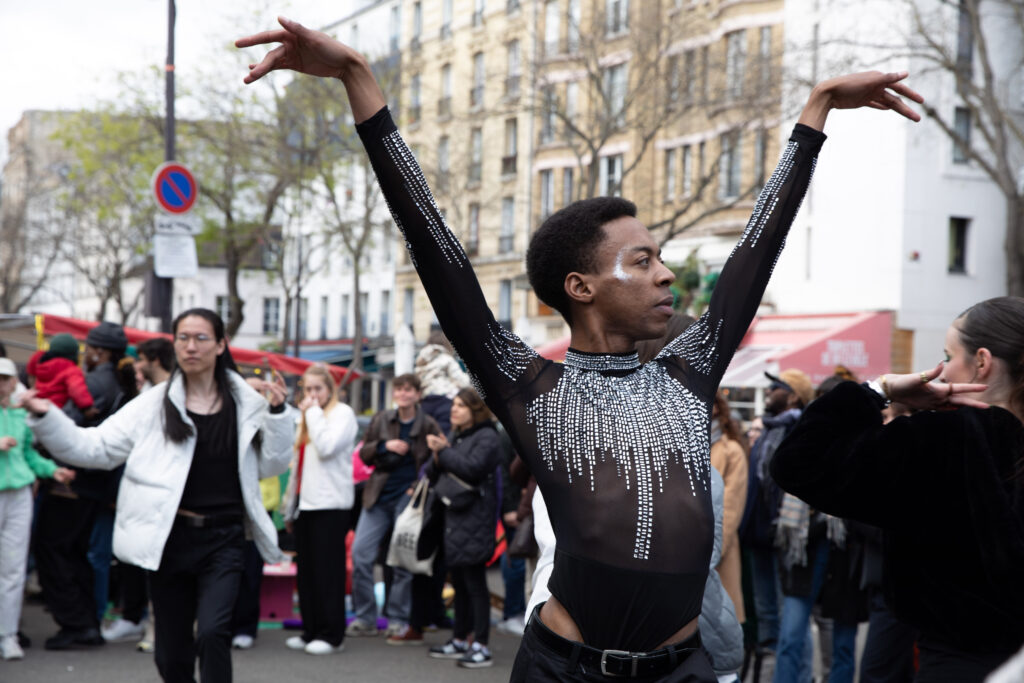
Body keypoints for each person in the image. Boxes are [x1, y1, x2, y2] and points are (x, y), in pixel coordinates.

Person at [235, 19, 922, 680]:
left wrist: (816, 112)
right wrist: (359, 77)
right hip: (564, 671)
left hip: (683, 670)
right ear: (580, 286)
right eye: (644, 259)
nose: (666, 275)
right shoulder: (531, 391)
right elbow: (435, 247)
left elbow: (758, 250)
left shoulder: (689, 375)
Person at [21, 309, 293, 683]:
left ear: (220, 345)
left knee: (213, 632)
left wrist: (278, 415)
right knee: (172, 654)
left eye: (201, 338)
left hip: (225, 538)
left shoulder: (247, 401)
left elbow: (273, 465)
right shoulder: (154, 404)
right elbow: (95, 448)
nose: (191, 346)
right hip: (169, 537)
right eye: (183, 338)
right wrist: (47, 415)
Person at [770, 296, 1024, 682]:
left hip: (956, 663)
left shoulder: (941, 440)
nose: (940, 371)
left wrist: (879, 390)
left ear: (982, 362)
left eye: (947, 355)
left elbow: (798, 463)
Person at [32, 321, 134, 651]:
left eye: (88, 349)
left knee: (53, 550)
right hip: (96, 483)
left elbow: (66, 427)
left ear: (99, 352)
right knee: (76, 554)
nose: (84, 355)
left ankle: (76, 624)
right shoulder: (121, 382)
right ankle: (87, 621)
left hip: (71, 481)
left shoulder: (92, 382)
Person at [348, 374, 442, 638]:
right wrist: (383, 445)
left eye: (408, 390)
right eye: (399, 389)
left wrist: (419, 482)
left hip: (409, 500)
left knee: (401, 560)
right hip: (377, 496)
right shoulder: (381, 419)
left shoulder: (428, 424)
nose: (403, 394)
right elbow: (363, 452)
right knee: (360, 555)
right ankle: (366, 618)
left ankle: (398, 618)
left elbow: (440, 457)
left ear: (417, 394)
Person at [0, 357, 75, 660]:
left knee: (14, 568)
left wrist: (51, 471)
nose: (2, 384)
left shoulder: (20, 414)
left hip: (19, 495)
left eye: (6, 379)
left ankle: (7, 634)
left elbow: (29, 454)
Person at [280, 363, 358, 655]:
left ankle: (331, 634)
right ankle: (310, 629)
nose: (312, 395)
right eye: (307, 389)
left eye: (317, 389)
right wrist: (290, 507)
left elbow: (327, 447)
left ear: (330, 389)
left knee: (328, 573)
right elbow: (297, 465)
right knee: (308, 574)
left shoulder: (343, 414)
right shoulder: (308, 418)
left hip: (331, 504)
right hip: (306, 505)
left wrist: (311, 412)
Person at [423, 387, 502, 669]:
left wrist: (443, 452)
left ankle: (480, 645)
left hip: (475, 519)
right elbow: (436, 474)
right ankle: (459, 639)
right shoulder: (458, 436)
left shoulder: (488, 437)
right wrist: (437, 455)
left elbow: (471, 469)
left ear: (475, 409)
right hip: (454, 519)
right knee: (459, 583)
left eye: (461, 405)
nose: (454, 410)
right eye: (454, 405)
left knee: (476, 585)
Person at [104, 336, 176, 646]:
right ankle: (140, 621)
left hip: (162, 497)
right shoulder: (144, 395)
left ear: (155, 360)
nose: (136, 365)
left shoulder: (176, 395)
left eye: (141, 358)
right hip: (137, 496)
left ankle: (157, 628)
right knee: (137, 563)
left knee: (160, 568)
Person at [710, 391, 748, 629]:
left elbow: (730, 512)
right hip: (679, 557)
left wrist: (708, 557)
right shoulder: (682, 443)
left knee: (717, 630)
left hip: (714, 559)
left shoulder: (731, 450)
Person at [415, 329, 470, 435]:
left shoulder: (420, 360)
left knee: (426, 433)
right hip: (445, 400)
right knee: (443, 434)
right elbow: (463, 382)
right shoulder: (446, 359)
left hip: (425, 401)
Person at [25, 334, 95, 416]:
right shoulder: (70, 368)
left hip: (38, 407)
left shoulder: (43, 365)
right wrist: (87, 407)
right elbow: (76, 388)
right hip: (56, 411)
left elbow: (31, 375)